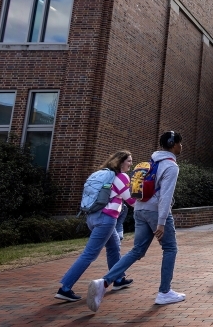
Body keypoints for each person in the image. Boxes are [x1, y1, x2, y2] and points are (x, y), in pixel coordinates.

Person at [87, 131, 183, 311]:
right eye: (179, 143)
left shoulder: (152, 161)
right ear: (173, 144)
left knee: (137, 250)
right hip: (156, 212)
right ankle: (164, 292)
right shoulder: (171, 166)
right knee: (170, 248)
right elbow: (165, 196)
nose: (181, 146)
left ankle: (104, 282)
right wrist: (162, 222)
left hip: (139, 209)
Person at [55, 151, 135, 302]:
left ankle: (118, 279)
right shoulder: (121, 177)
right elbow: (131, 201)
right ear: (120, 162)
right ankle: (65, 288)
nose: (130, 164)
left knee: (114, 245)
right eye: (129, 161)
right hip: (106, 219)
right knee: (89, 254)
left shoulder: (104, 174)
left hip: (92, 217)